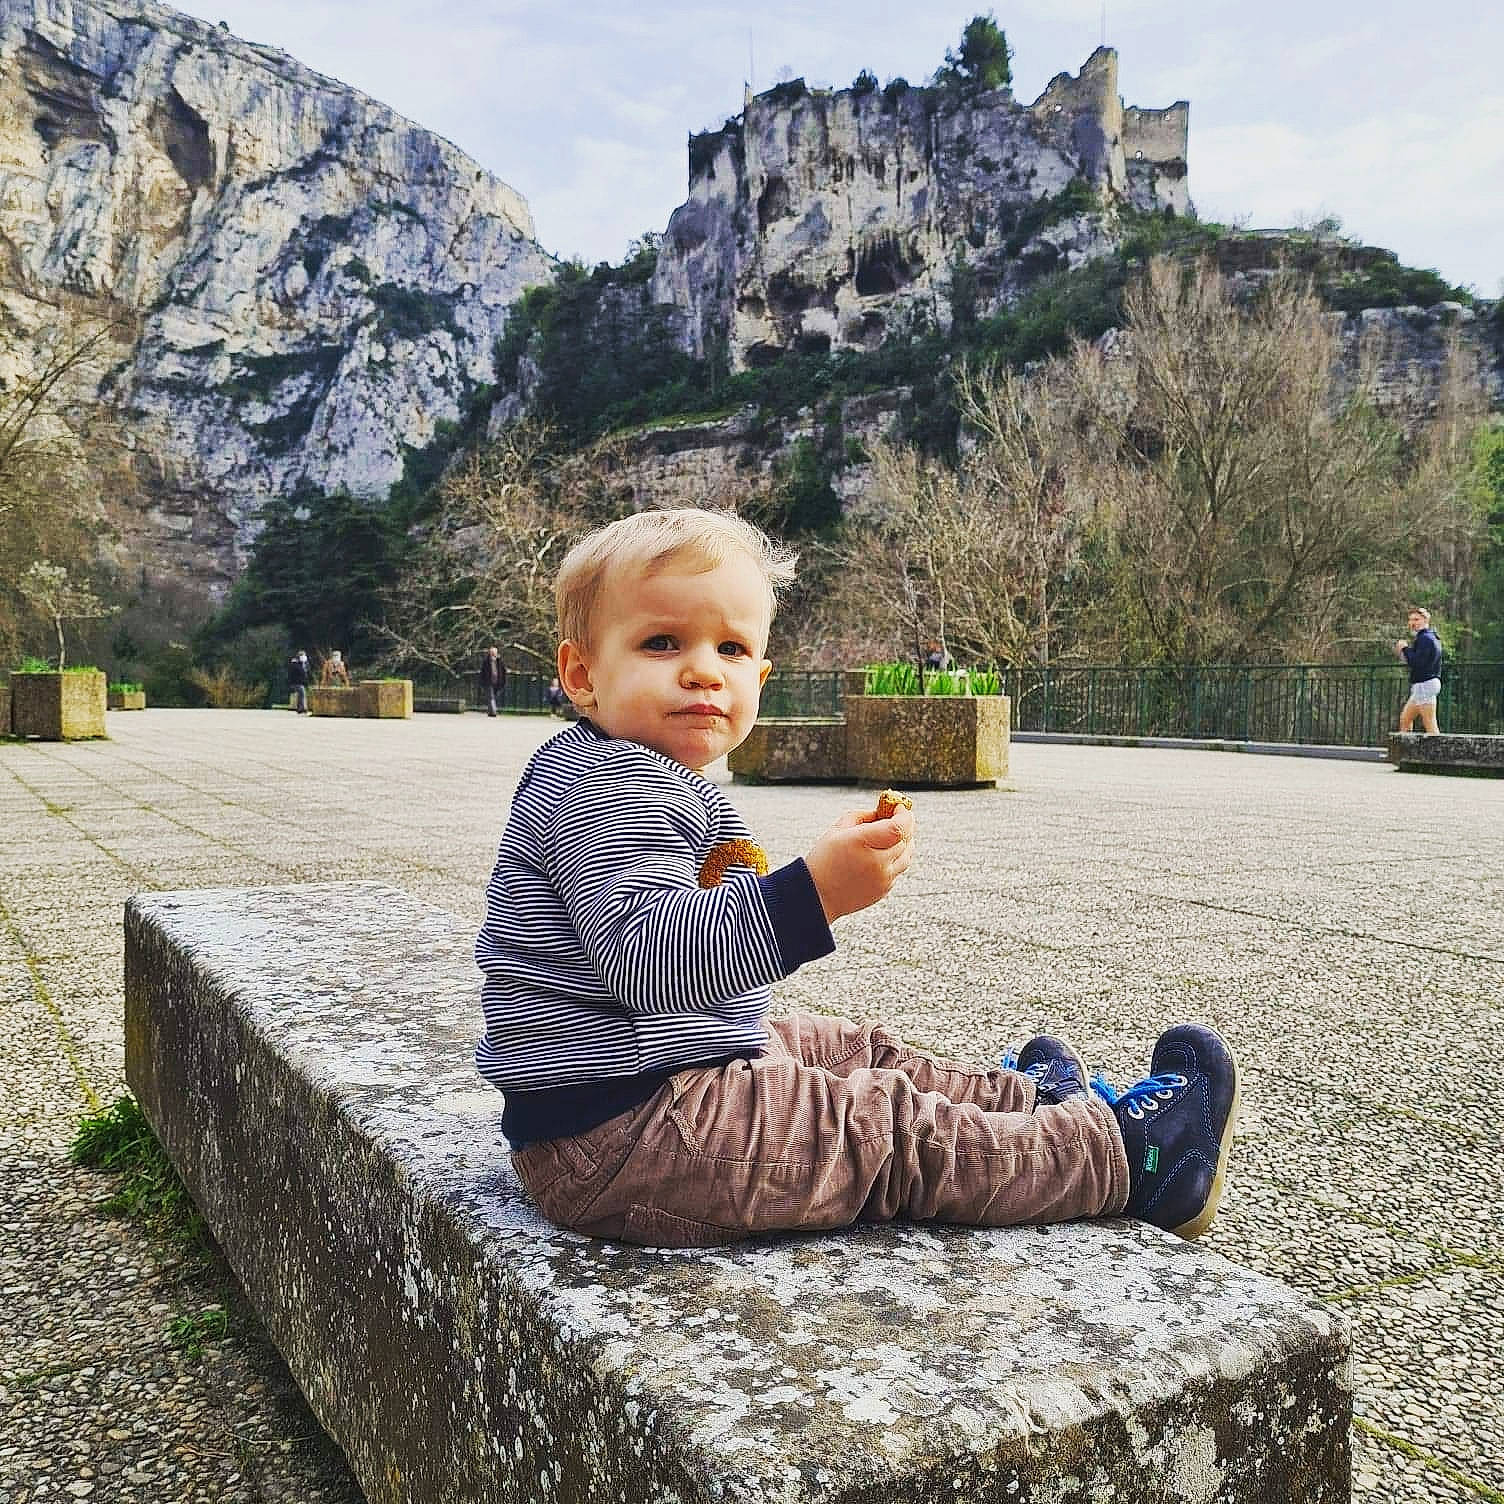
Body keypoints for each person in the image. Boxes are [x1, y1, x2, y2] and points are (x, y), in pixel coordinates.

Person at [474, 508, 1238, 1248]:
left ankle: (1033, 1101)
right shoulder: (611, 785)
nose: (704, 670)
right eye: (662, 642)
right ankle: (1123, 1163)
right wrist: (813, 892)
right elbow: (650, 956)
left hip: (642, 1088)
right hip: (624, 1133)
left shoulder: (630, 772)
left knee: (846, 1049)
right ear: (583, 674)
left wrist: (811, 877)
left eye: (733, 650)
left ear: (762, 675)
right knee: (880, 1128)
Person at [1395, 607, 1443, 735]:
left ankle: (1440, 753)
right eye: (1410, 620)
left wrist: (1404, 649)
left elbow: (1417, 662)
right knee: (1405, 719)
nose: (1412, 623)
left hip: (1425, 684)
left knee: (1430, 724)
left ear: (1426, 620)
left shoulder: (1425, 638)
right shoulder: (1431, 637)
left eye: (1416, 619)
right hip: (1424, 684)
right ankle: (1405, 750)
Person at [479, 646, 506, 717]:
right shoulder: (486, 662)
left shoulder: (500, 661)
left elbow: (503, 672)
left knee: (493, 697)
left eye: (495, 653)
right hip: (488, 682)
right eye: (492, 653)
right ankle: (494, 712)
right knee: (491, 697)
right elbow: (482, 673)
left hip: (497, 682)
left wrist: (503, 681)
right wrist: (482, 682)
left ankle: (490, 712)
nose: (493, 654)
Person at [287, 649, 310, 714]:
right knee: (302, 692)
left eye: (304, 655)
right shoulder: (295, 664)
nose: (304, 656)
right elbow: (300, 672)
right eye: (302, 655)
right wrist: (302, 665)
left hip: (301, 682)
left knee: (301, 694)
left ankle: (300, 708)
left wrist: (304, 664)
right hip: (295, 682)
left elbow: (307, 671)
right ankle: (303, 708)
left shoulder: (304, 663)